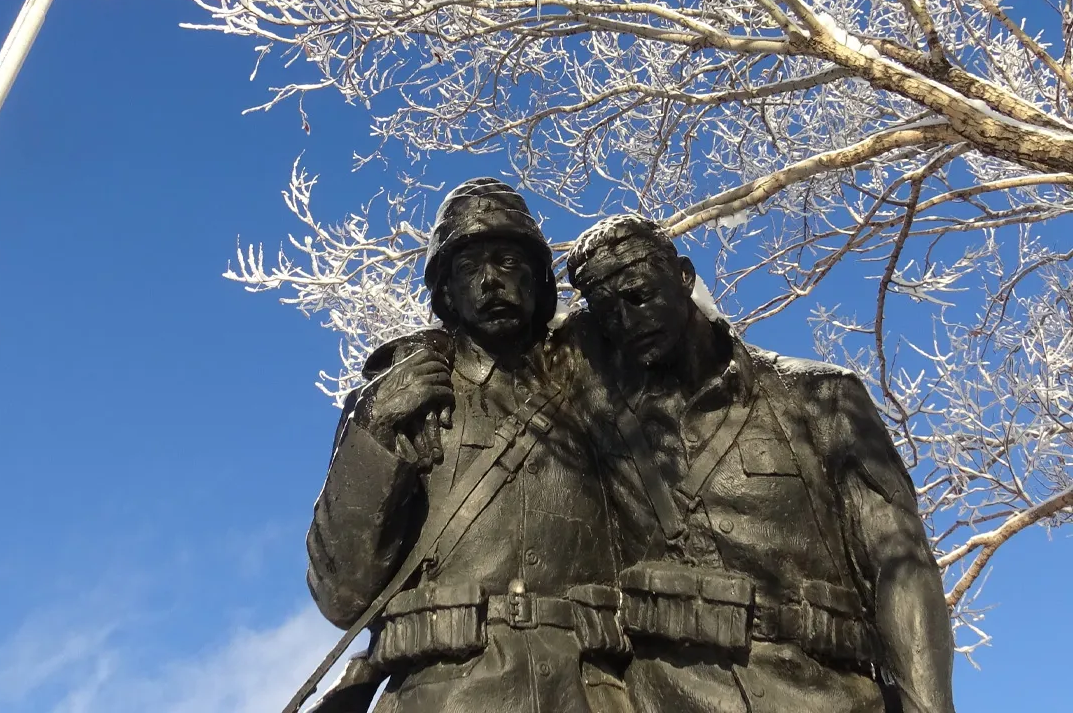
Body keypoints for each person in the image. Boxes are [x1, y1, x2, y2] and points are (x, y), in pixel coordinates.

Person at [562, 214, 956, 713]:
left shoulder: (821, 397)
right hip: (673, 697)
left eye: (638, 295)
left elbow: (901, 566)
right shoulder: (602, 425)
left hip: (831, 694)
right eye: (606, 312)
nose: (628, 321)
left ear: (684, 276)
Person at [304, 179, 632, 713]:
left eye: (508, 261)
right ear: (446, 292)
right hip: (446, 693)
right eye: (467, 268)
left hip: (594, 693)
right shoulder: (401, 401)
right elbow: (343, 594)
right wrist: (375, 430)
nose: (490, 281)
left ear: (538, 277)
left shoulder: (600, 387)